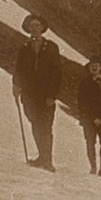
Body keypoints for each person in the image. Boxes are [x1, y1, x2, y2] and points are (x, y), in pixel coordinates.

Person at [14, 14, 62, 172]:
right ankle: (42, 156)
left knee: (46, 126)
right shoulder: (24, 48)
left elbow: (57, 72)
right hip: (29, 94)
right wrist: (16, 85)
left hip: (46, 94)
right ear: (28, 28)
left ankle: (48, 160)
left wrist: (52, 95)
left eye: (37, 25)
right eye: (31, 25)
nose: (34, 28)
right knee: (35, 124)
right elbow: (18, 69)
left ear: (42, 28)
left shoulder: (52, 47)